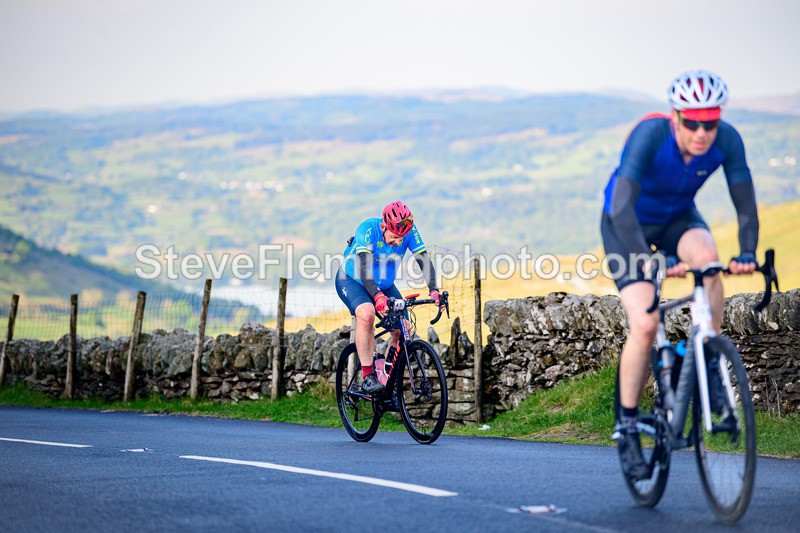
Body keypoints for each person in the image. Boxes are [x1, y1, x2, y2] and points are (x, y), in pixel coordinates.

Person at [601, 70, 759, 480]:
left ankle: (708, 356)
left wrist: (747, 252)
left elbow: (744, 203)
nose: (702, 133)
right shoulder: (649, 136)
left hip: (677, 220)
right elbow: (621, 207)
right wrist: (647, 260)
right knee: (644, 323)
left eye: (710, 123)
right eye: (692, 123)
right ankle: (628, 426)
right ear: (676, 117)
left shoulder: (728, 140)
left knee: (708, 260)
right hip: (626, 225)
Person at [336, 200, 444, 393]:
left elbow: (423, 260)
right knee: (367, 313)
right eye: (394, 237)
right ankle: (368, 376)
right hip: (353, 280)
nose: (399, 242)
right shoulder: (368, 229)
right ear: (384, 226)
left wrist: (434, 290)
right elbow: (363, 268)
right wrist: (377, 297)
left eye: (402, 238)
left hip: (384, 285)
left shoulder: (409, 231)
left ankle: (385, 376)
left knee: (403, 329)